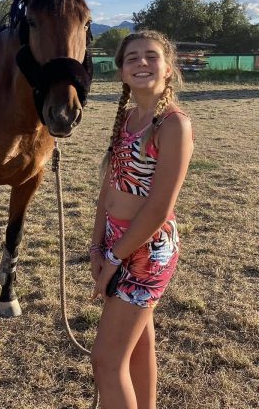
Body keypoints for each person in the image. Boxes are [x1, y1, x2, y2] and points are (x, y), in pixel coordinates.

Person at [90, 30, 193, 408]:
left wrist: (115, 257)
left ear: (168, 69)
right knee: (136, 348)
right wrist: (97, 245)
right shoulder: (128, 118)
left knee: (106, 361)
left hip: (147, 251)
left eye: (151, 56)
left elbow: (159, 208)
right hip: (116, 244)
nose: (142, 63)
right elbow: (109, 188)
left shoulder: (173, 126)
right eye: (131, 58)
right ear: (121, 72)